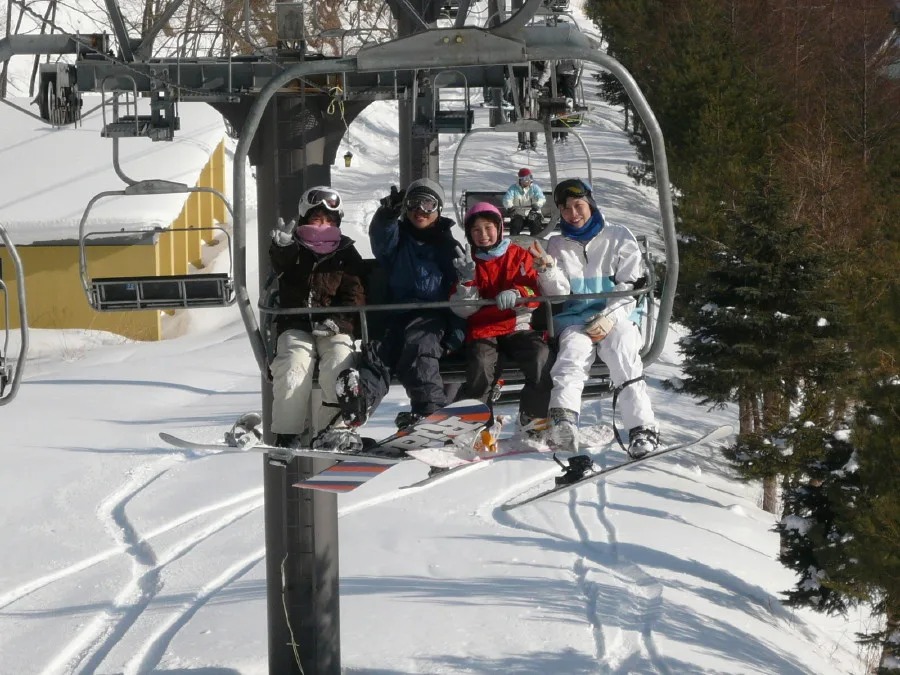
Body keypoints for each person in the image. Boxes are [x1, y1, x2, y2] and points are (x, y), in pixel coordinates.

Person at [528, 178, 658, 479]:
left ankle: (641, 428)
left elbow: (631, 284)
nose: (573, 214)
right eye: (566, 209)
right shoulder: (557, 244)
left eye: (578, 206)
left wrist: (610, 316)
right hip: (575, 318)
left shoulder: (618, 236)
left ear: (590, 204)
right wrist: (548, 269)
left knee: (622, 351)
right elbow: (559, 294)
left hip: (618, 316)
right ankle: (563, 422)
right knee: (571, 356)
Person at [268, 186, 367, 450]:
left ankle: (335, 430)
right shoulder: (294, 250)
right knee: (293, 365)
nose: (322, 226)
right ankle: (287, 435)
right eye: (316, 220)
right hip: (296, 324)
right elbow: (281, 265)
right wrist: (282, 247)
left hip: (335, 327)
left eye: (328, 221)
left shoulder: (345, 253)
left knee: (339, 363)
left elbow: (355, 294)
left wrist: (337, 321)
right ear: (304, 220)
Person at [366, 177, 467, 429]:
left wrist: (457, 334)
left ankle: (429, 409)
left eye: (428, 204)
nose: (420, 211)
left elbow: (460, 292)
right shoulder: (398, 240)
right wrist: (387, 215)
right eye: (413, 203)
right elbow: (381, 239)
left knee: (419, 346)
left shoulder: (448, 247)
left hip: (431, 318)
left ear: (438, 209)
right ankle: (358, 405)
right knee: (378, 353)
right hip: (396, 315)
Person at [449, 202, 554, 441]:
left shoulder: (518, 255)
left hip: (516, 325)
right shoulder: (467, 262)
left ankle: (533, 418)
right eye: (476, 230)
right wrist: (467, 282)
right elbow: (462, 310)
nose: (483, 235)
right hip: (483, 329)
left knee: (540, 356)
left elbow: (533, 290)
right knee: (481, 365)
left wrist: (518, 294)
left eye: (488, 228)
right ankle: (479, 426)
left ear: (499, 228)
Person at [503, 168, 546, 237]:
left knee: (535, 224)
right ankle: (514, 241)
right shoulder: (513, 188)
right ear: (520, 179)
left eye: (530, 177)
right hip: (519, 214)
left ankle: (535, 240)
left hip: (532, 213)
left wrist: (537, 205)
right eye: (526, 178)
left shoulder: (535, 188)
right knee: (515, 225)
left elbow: (542, 198)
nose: (528, 180)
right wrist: (510, 207)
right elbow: (507, 199)